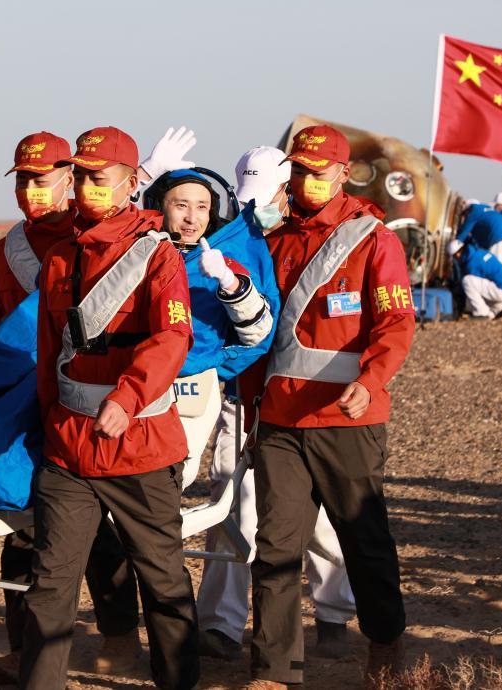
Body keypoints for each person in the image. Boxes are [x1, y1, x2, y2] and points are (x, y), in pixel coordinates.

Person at [21, 126, 199, 690]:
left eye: (97, 176)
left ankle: (178, 680)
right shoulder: (59, 258)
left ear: (129, 183)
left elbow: (172, 338)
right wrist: (47, 423)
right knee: (51, 582)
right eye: (78, 175)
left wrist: (127, 396)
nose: (85, 186)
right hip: (69, 451)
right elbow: (49, 354)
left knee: (162, 579)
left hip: (141, 447)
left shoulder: (159, 255)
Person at [238, 125, 415, 689]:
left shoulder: (372, 240)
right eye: (298, 170)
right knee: (275, 548)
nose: (305, 180)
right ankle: (274, 672)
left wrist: (373, 378)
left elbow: (396, 322)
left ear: (343, 174)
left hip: (348, 420)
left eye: (317, 171)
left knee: (364, 542)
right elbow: (258, 339)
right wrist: (251, 413)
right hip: (280, 420)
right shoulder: (271, 242)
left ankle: (385, 644)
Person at [0, 132, 141, 683]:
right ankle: (23, 649)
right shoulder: (6, 252)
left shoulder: (91, 238)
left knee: (92, 527)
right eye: (22, 180)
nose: (31, 190)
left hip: (86, 404)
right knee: (22, 525)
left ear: (69, 179)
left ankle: (119, 631)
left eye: (41, 179)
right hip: (25, 405)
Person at [196, 146, 357, 663]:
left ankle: (333, 614)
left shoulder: (313, 241)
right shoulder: (225, 239)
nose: (258, 209)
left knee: (319, 511)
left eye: (267, 198)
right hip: (240, 396)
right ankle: (221, 624)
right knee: (231, 505)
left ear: (287, 192)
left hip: (302, 399)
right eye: (249, 200)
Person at [143, 167, 275, 491]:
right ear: (159, 207)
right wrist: (144, 172)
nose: (192, 217)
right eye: (181, 205)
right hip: (136, 381)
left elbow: (258, 334)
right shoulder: (137, 254)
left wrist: (230, 283)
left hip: (194, 387)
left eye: (201, 207)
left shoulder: (223, 258)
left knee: (170, 481)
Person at [451, 199, 502, 308]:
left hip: (498, 240)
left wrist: (454, 244)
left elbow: (464, 233)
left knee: (492, 274)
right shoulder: (488, 211)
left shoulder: (474, 211)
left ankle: (493, 308)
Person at [449, 238, 502, 319]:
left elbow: (470, 289)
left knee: (467, 281)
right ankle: (500, 310)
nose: (457, 256)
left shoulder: (471, 263)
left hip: (501, 290)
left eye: (458, 252)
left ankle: (481, 313)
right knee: (481, 287)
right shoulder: (478, 253)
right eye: (455, 255)